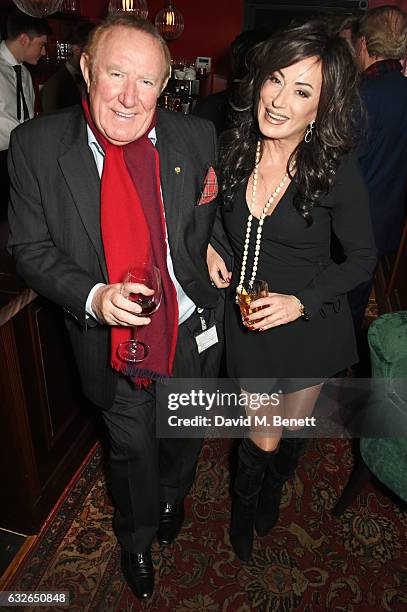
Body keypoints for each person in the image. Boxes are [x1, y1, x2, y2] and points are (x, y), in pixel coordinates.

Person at [8, 14, 223, 600]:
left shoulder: (196, 136)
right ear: (85, 69)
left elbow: (210, 219)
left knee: (187, 432)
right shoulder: (34, 147)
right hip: (111, 342)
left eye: (147, 81)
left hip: (188, 326)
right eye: (116, 74)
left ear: (165, 84)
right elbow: (28, 248)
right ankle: (136, 538)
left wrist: (213, 249)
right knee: (131, 454)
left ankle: (175, 494)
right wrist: (94, 296)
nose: (130, 97)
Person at [207, 21, 377, 562]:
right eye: (275, 80)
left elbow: (363, 257)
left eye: (302, 91)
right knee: (264, 434)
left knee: (294, 426)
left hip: (309, 323)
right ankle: (245, 504)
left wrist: (301, 300)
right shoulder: (233, 146)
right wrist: (213, 246)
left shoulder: (333, 171)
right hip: (252, 321)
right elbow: (213, 217)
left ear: (322, 107)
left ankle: (273, 488)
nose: (278, 101)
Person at [348, 5, 407, 333]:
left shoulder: (359, 97)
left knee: (336, 309)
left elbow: (338, 168)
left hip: (348, 226)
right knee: (354, 307)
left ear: (364, 44)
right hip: (386, 223)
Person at [0, 8, 51, 213]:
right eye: (41, 44)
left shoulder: (25, 74)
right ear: (23, 40)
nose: (44, 51)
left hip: (21, 157)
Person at [41, 21, 94, 112]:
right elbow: (53, 121)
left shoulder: (97, 79)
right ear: (76, 49)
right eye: (92, 51)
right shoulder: (54, 85)